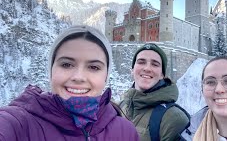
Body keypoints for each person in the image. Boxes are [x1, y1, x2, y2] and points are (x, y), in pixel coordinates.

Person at [0, 25, 139, 141]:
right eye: (66, 64)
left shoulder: (126, 132)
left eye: (94, 67)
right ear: (51, 70)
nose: (79, 77)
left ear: (106, 76)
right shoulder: (20, 124)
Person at [119, 43, 189, 141]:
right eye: (141, 62)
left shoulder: (174, 119)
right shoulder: (119, 107)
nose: (147, 68)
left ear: (162, 75)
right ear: (132, 70)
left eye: (155, 64)